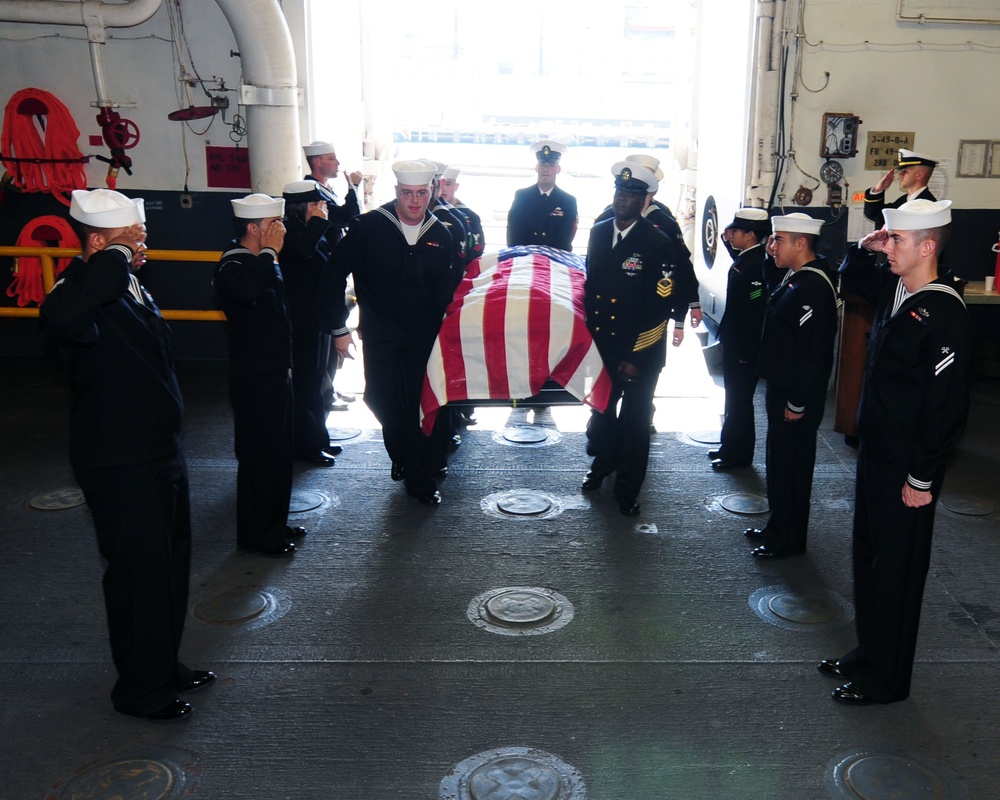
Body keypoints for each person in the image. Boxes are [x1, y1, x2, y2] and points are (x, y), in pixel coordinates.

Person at [41, 188, 214, 722]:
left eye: (140, 237)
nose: (141, 248)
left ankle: (162, 663)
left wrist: (120, 257)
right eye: (130, 240)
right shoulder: (76, 292)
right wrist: (110, 257)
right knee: (137, 573)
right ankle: (139, 689)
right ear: (97, 243)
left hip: (158, 448)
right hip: (118, 459)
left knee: (169, 563)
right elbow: (62, 318)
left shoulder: (130, 284)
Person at [823, 199, 973, 705]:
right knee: (868, 556)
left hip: (909, 466)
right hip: (877, 455)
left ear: (927, 246)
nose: (888, 246)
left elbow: (946, 406)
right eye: (886, 238)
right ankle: (869, 651)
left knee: (898, 570)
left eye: (897, 240)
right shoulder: (897, 289)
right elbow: (851, 277)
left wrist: (923, 476)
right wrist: (866, 244)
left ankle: (887, 679)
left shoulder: (945, 312)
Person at [328, 160, 454, 505]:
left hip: (424, 339)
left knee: (422, 405)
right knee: (381, 399)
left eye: (422, 194)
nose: (415, 202)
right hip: (381, 335)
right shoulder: (369, 227)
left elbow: (449, 291)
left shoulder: (442, 234)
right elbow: (333, 273)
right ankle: (402, 451)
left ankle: (421, 476)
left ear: (432, 192)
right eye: (407, 194)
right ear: (396, 192)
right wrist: (338, 326)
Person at [581, 162, 681, 516]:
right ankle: (602, 465)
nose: (623, 199)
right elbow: (591, 287)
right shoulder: (598, 231)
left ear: (644, 200)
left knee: (635, 424)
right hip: (604, 345)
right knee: (602, 414)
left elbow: (660, 306)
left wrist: (636, 357)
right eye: (619, 192)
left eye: (632, 194)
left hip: (640, 351)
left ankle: (628, 488)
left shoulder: (658, 243)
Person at [214, 193, 303, 558]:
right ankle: (257, 535)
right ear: (254, 228)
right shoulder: (232, 265)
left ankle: (273, 522)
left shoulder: (262, 261)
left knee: (280, 453)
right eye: (273, 224)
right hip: (254, 377)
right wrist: (269, 253)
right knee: (259, 456)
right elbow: (250, 292)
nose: (280, 230)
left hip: (275, 370)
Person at [745, 213, 838, 559]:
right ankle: (777, 526)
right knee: (779, 463)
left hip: (796, 394)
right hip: (783, 388)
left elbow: (810, 353)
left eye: (778, 239)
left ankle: (789, 540)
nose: (772, 246)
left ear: (801, 243)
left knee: (793, 468)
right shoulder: (794, 277)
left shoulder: (812, 286)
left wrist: (797, 401)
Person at [280, 179, 343, 466]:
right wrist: (318, 223)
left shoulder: (310, 233)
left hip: (315, 321)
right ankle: (305, 446)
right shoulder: (288, 233)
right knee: (305, 387)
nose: (322, 208)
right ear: (301, 207)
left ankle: (318, 438)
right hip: (300, 324)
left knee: (317, 384)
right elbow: (302, 250)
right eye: (316, 204)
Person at [302, 140, 363, 412]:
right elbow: (346, 217)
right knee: (326, 336)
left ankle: (329, 388)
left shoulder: (324, 190)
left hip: (330, 267)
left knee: (330, 337)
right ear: (317, 162)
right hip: (320, 270)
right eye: (331, 158)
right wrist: (353, 188)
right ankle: (323, 392)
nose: (337, 163)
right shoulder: (312, 191)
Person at [710, 208, 771, 470]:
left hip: (744, 347)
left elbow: (753, 311)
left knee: (740, 402)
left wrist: (746, 350)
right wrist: (726, 241)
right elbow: (736, 258)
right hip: (735, 343)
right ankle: (729, 446)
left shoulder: (756, 265)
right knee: (732, 399)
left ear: (749, 235)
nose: (730, 234)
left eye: (735, 231)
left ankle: (739, 455)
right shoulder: (747, 257)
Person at [506, 139, 578, 252]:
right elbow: (513, 233)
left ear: (558, 169)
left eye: (551, 165)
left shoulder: (568, 201)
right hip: (525, 256)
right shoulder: (522, 196)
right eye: (542, 164)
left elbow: (566, 238)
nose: (546, 169)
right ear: (536, 168)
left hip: (555, 258)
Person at [863, 148, 938, 228]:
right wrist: (878, 190)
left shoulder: (926, 205)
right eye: (901, 171)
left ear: (919, 175)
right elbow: (876, 215)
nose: (900, 175)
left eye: (905, 171)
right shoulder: (905, 200)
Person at [440, 165, 485, 262]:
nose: (443, 188)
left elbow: (477, 249)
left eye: (448, 184)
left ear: (456, 186)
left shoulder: (471, 216)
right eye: (440, 184)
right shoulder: (429, 213)